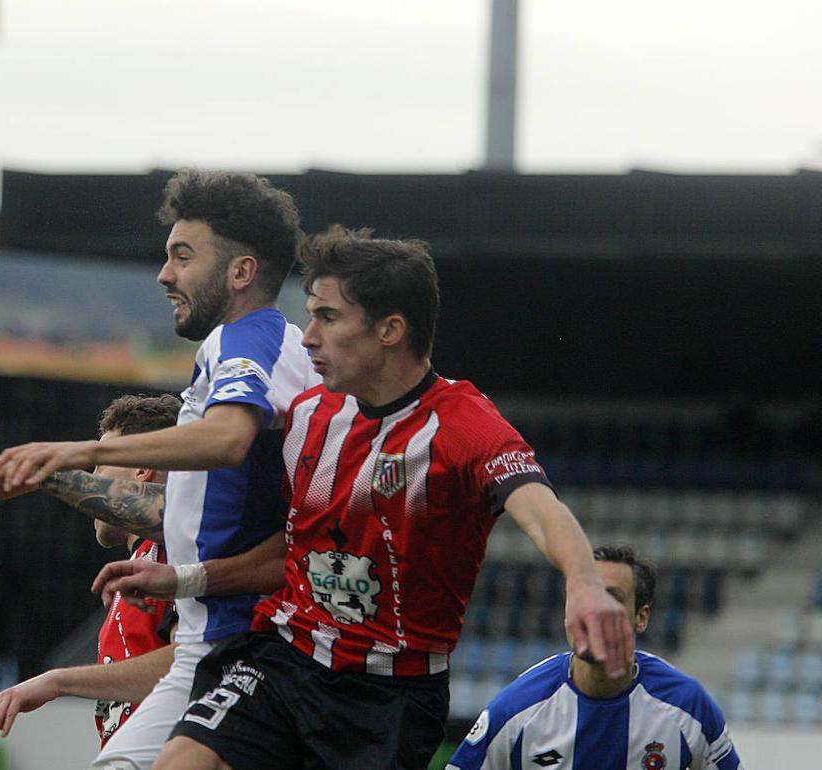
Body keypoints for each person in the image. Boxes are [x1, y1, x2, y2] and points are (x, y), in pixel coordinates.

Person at [98, 225, 634, 770]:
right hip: (285, 659)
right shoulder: (309, 416)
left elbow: (541, 510)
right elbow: (288, 553)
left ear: (390, 330)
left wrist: (584, 582)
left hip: (389, 701)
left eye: (327, 318)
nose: (308, 337)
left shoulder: (463, 425)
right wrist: (182, 578)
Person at [0, 170, 317, 769]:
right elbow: (189, 510)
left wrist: (72, 454)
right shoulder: (282, 350)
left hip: (245, 647)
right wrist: (51, 475)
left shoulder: (244, 342)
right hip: (211, 648)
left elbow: (226, 440)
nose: (164, 274)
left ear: (241, 272)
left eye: (182, 256)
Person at [0, 393, 181, 748]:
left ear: (142, 468)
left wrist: (57, 682)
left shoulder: (179, 549)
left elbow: (190, 664)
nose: (91, 477)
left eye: (99, 464)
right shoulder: (143, 562)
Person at [446, 544, 743, 770]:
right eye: (580, 596)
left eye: (610, 598)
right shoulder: (516, 710)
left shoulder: (687, 707)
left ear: (641, 617)